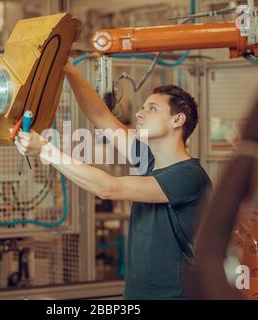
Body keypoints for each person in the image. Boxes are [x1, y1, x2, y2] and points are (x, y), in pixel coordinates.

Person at [11, 61, 212, 299]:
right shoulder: (148, 159)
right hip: (136, 294)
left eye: (152, 108)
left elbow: (109, 188)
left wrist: (45, 150)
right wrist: (66, 67)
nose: (139, 112)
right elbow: (100, 116)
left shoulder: (189, 176)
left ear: (177, 120)